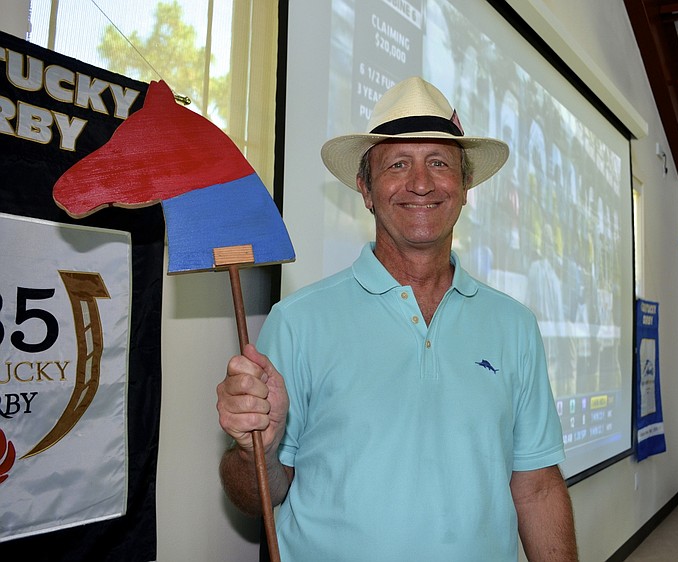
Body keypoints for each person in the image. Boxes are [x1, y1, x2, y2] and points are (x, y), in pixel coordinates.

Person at [216, 76, 578, 561]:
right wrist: (253, 451)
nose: (421, 183)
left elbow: (536, 488)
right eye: (398, 164)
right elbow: (261, 493)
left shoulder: (515, 326)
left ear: (465, 186)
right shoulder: (298, 321)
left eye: (439, 163)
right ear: (365, 189)